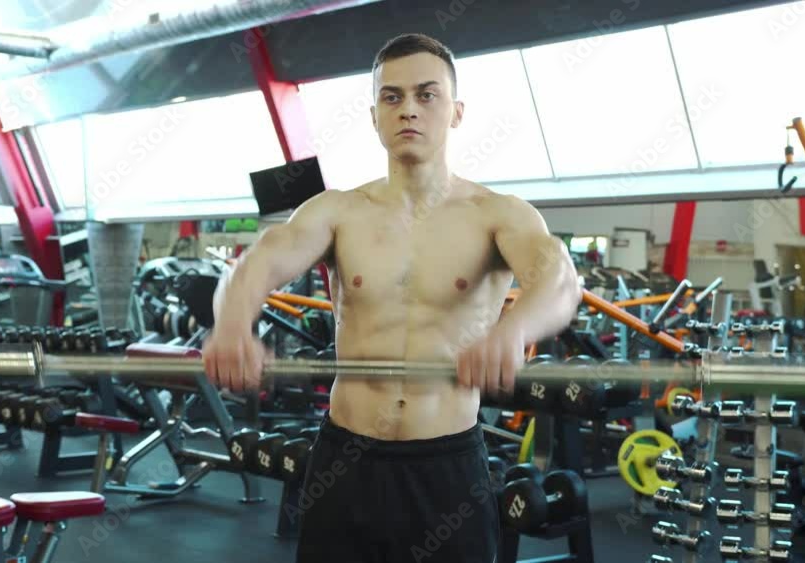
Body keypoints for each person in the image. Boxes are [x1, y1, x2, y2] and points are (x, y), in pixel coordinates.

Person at [203, 33, 582, 563]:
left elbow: (560, 278)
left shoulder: (498, 214)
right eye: (392, 96)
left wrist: (513, 330)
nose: (408, 109)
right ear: (375, 115)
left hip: (447, 467)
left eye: (427, 95)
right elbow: (257, 265)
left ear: (456, 112)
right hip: (345, 462)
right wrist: (231, 325)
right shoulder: (336, 212)